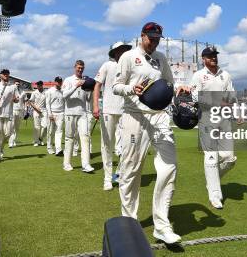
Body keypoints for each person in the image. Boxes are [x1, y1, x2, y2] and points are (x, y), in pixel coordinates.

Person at [112, 21, 180, 244]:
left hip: (159, 116)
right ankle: (128, 222)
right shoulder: (129, 57)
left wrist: (179, 89)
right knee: (131, 170)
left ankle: (161, 225)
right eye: (151, 38)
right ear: (141, 36)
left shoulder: (161, 58)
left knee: (169, 166)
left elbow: (169, 82)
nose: (154, 42)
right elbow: (116, 86)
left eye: (157, 39)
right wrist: (132, 88)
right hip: (134, 116)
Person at [188, 46, 237, 209]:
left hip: (224, 119)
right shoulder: (198, 76)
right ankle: (215, 194)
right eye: (209, 56)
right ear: (203, 59)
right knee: (211, 156)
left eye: (215, 55)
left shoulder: (225, 75)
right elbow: (195, 96)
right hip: (207, 118)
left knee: (229, 158)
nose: (213, 58)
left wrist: (238, 113)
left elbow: (232, 96)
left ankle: (213, 179)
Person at [93, 41, 132, 190]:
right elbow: (97, 85)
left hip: (125, 111)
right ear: (115, 52)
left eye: (124, 50)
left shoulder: (129, 67)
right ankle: (107, 178)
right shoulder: (107, 65)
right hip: (108, 110)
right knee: (106, 145)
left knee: (126, 145)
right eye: (120, 50)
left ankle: (120, 174)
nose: (122, 52)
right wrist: (96, 106)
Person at [62, 60, 94, 173]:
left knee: (85, 137)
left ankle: (86, 164)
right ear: (75, 67)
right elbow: (64, 95)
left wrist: (90, 89)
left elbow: (89, 99)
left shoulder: (85, 81)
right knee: (69, 138)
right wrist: (76, 86)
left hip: (83, 113)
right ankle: (66, 163)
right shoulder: (68, 80)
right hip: (70, 113)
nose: (80, 70)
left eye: (82, 68)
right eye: (78, 68)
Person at [46, 76, 65, 155]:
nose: (59, 83)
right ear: (55, 82)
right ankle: (49, 147)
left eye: (60, 81)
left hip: (61, 113)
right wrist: (50, 114)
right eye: (58, 81)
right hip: (52, 113)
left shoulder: (63, 91)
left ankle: (58, 149)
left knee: (59, 131)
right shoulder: (50, 91)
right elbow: (47, 103)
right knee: (50, 131)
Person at [28, 80, 48, 147]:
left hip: (44, 111)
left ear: (42, 85)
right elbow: (30, 102)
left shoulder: (46, 92)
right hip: (36, 111)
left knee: (45, 126)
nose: (38, 86)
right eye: (37, 85)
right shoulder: (34, 93)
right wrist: (36, 109)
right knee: (37, 127)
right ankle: (36, 141)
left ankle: (41, 138)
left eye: (39, 85)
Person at [9, 81, 26, 148]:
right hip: (13, 110)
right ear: (14, 84)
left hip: (20, 111)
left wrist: (25, 111)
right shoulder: (11, 92)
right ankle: (11, 142)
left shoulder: (23, 92)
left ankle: (14, 140)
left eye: (18, 84)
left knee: (17, 128)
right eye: (16, 84)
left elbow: (24, 102)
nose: (17, 85)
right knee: (12, 127)